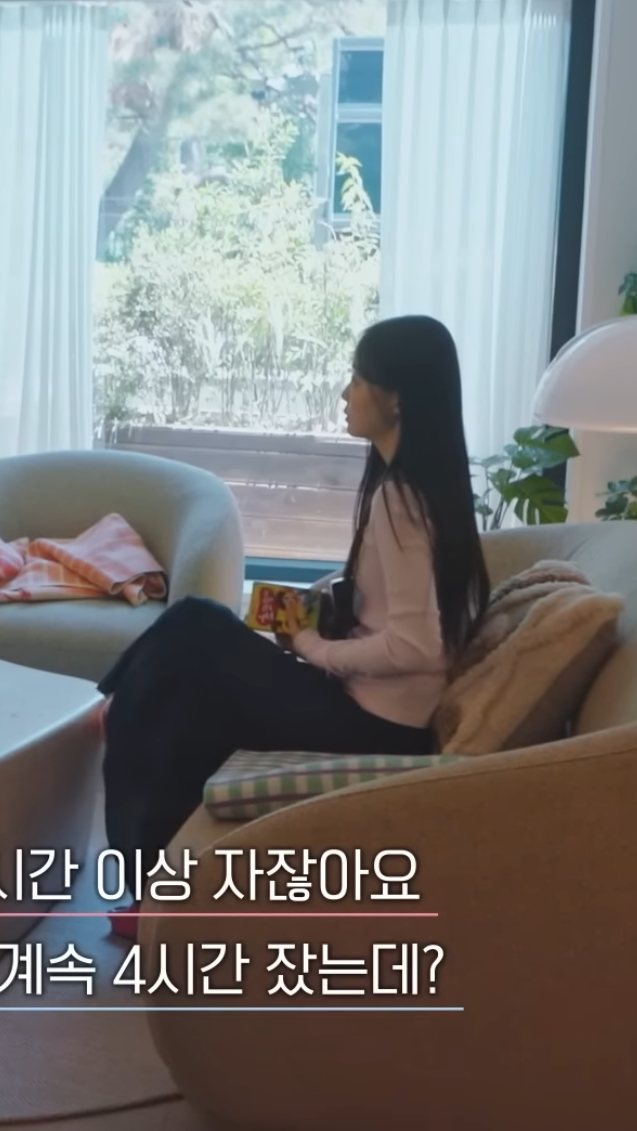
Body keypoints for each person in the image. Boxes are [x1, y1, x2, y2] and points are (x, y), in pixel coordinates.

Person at [93, 315, 493, 939]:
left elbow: (421, 646)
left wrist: (311, 647)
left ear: (396, 398)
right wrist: (318, 607)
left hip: (371, 725)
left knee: (197, 625)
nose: (344, 393)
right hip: (370, 711)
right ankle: (159, 884)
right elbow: (402, 609)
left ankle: (117, 701)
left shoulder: (400, 500)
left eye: (358, 378)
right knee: (190, 697)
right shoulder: (421, 489)